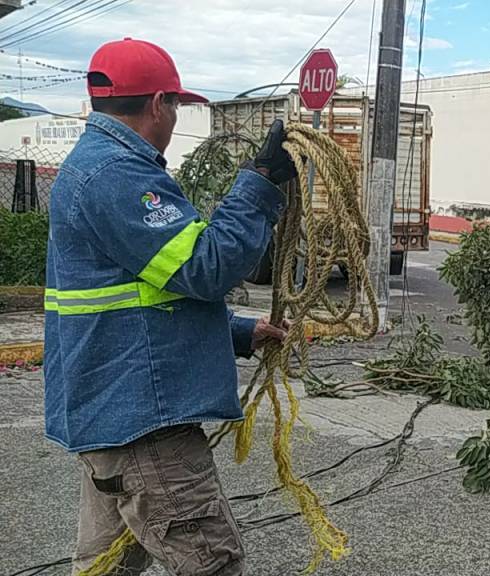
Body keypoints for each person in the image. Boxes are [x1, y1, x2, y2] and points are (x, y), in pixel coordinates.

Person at [44, 38, 297, 574]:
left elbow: (143, 292)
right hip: (143, 425)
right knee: (212, 563)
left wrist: (236, 331)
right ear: (158, 104)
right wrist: (259, 185)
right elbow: (203, 267)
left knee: (104, 568)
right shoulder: (116, 175)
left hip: (114, 417)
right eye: (177, 105)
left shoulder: (100, 167)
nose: (176, 116)